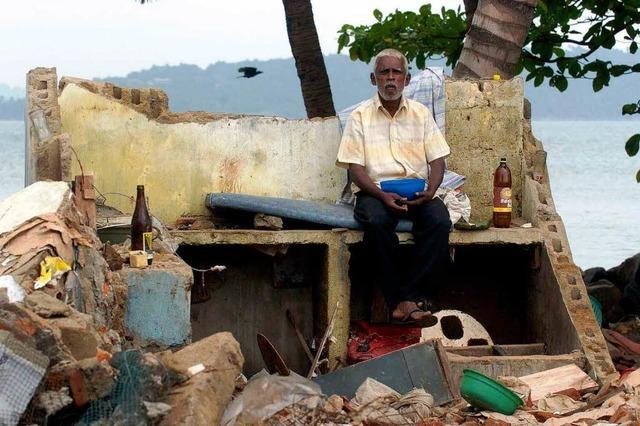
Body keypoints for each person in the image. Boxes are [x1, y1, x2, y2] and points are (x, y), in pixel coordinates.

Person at [336, 48, 451, 325]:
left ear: (407, 79)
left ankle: (407, 300)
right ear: (373, 79)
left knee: (439, 220)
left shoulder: (421, 114)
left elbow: (438, 161)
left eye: (396, 72)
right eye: (384, 72)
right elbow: (355, 169)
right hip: (375, 193)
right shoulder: (360, 117)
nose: (390, 78)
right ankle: (401, 301)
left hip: (416, 193)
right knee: (375, 222)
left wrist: (431, 190)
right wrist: (380, 194)